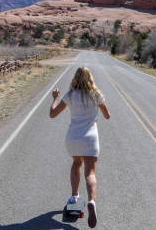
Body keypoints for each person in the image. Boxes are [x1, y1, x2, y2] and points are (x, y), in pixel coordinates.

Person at [49, 67, 110, 228]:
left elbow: (52, 114)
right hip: (90, 138)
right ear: (90, 78)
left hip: (73, 138)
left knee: (77, 163)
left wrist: (55, 98)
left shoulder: (70, 95)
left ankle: (75, 196)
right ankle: (91, 201)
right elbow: (107, 115)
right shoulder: (95, 95)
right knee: (90, 172)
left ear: (75, 79)